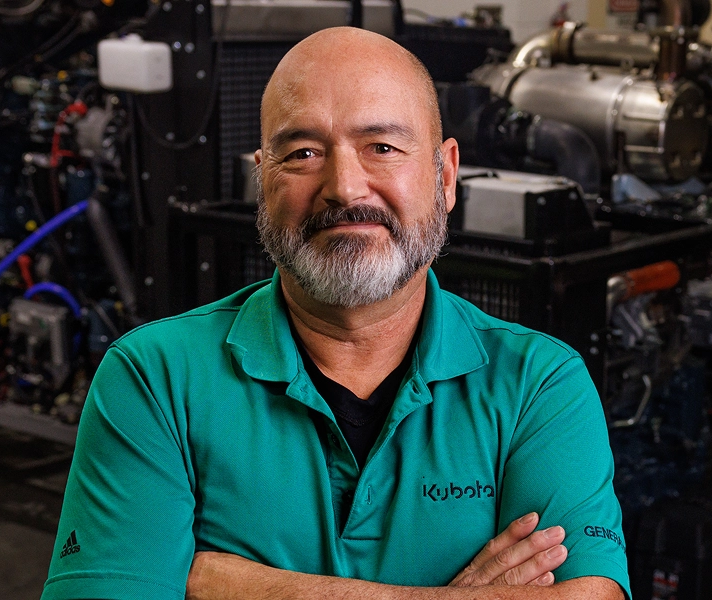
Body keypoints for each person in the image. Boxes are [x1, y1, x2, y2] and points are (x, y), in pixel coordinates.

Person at [40, 27, 628, 600]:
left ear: (445, 177)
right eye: (303, 153)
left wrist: (238, 586)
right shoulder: (154, 377)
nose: (345, 188)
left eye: (382, 148)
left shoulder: (539, 383)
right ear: (263, 180)